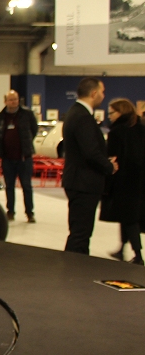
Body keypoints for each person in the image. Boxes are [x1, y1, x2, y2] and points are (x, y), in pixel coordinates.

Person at [62, 77, 117, 254]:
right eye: (102, 92)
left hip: (79, 181)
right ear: (93, 93)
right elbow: (90, 152)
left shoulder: (75, 113)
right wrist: (109, 167)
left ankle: (74, 270)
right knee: (80, 234)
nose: (103, 96)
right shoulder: (82, 117)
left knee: (80, 232)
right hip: (83, 182)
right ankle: (75, 272)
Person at [100, 98, 145, 264]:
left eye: (112, 112)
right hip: (140, 181)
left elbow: (113, 160)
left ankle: (138, 255)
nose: (109, 116)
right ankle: (122, 248)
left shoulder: (116, 132)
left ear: (121, 112)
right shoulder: (141, 128)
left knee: (128, 217)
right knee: (128, 216)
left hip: (123, 181)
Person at [0, 91, 38, 222]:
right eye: (11, 100)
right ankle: (10, 211)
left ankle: (29, 212)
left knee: (26, 186)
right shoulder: (1, 116)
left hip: (24, 157)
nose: (14, 102)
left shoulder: (27, 114)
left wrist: (26, 145)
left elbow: (33, 130)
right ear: (5, 101)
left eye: (15, 99)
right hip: (7, 158)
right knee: (9, 186)